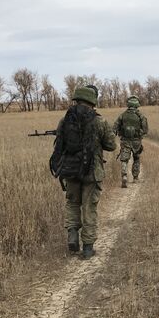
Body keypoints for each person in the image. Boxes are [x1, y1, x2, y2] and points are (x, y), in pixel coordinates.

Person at [50, 85, 116, 259]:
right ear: (92, 102)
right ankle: (87, 247)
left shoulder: (65, 120)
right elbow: (111, 145)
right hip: (91, 172)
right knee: (89, 208)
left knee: (72, 203)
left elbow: (60, 145)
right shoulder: (99, 121)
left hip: (70, 170)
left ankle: (72, 235)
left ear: (76, 99)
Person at [113, 95, 148, 188]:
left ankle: (124, 175)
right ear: (137, 105)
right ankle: (135, 178)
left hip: (125, 141)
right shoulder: (140, 116)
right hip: (137, 142)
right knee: (136, 158)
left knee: (124, 159)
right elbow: (145, 129)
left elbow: (115, 127)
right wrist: (140, 134)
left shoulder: (123, 115)